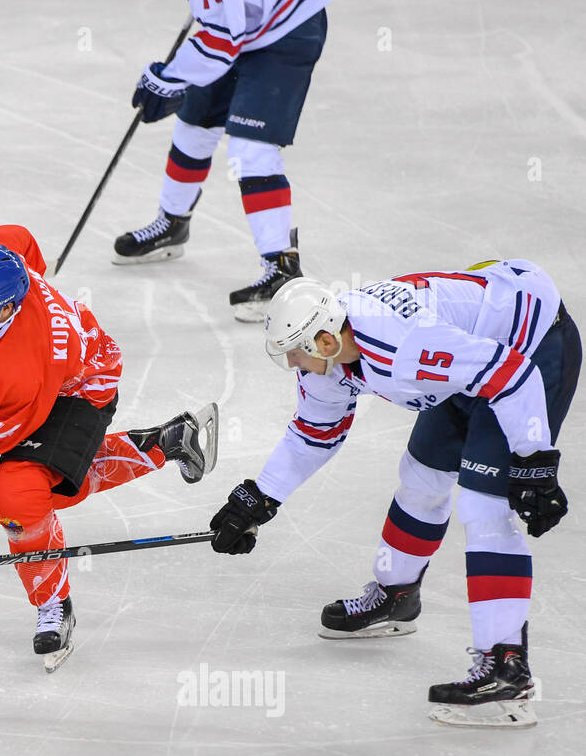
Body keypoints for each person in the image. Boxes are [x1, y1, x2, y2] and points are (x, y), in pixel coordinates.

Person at [208, 262, 579, 727]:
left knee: (485, 504)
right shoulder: (331, 352)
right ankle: (397, 596)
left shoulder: (406, 347)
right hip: (474, 355)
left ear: (325, 342)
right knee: (422, 475)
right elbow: (314, 434)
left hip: (530, 347)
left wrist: (534, 464)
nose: (291, 365)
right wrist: (258, 499)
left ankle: (507, 666)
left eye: (293, 353)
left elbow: (511, 375)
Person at [0, 225, 218, 671]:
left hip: (81, 387)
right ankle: (166, 442)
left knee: (20, 496)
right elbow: (21, 238)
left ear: (6, 310)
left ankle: (54, 604)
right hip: (33, 374)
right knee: (48, 480)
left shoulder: (18, 370)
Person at [114, 0, 329, 321]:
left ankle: (282, 267)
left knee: (251, 151)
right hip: (242, 26)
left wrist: (168, 78)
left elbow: (222, 39)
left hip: (286, 31)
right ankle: (172, 224)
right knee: (194, 126)